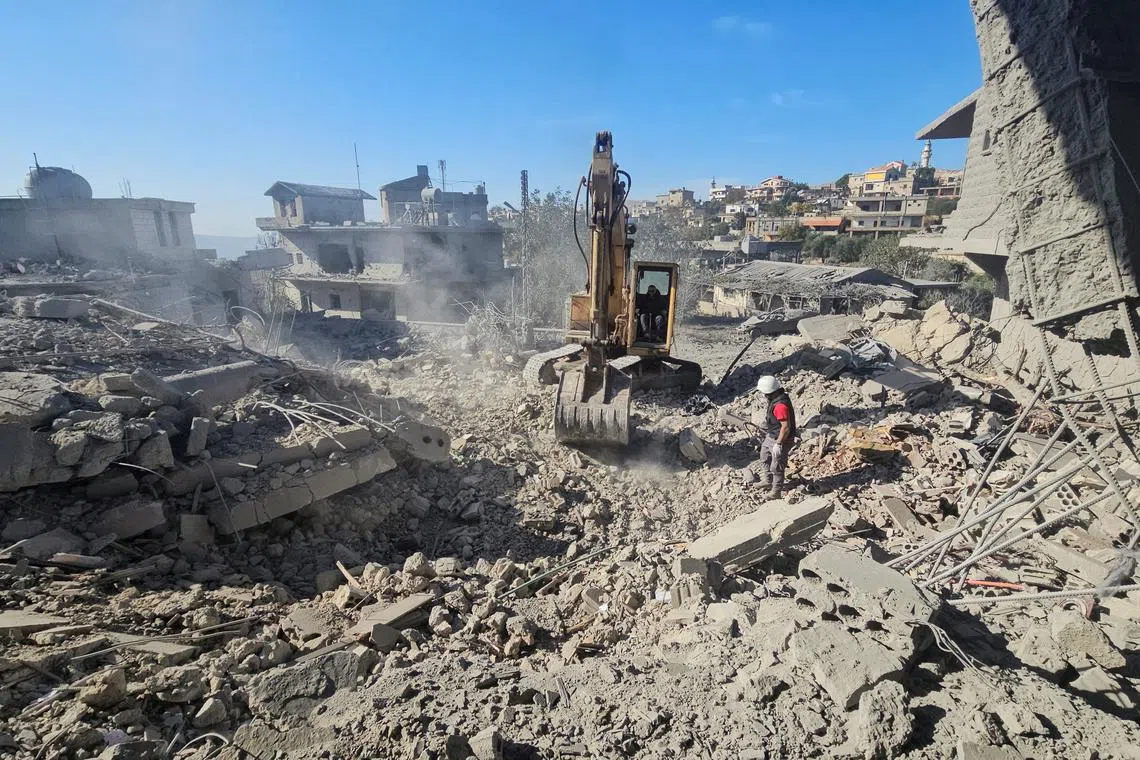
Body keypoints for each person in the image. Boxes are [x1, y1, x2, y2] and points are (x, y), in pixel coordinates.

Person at [754, 375, 796, 499]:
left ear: (769, 392)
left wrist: (778, 444)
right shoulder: (776, 398)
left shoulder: (780, 406)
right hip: (772, 434)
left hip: (781, 438)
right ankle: (768, 481)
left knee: (777, 466)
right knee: (764, 456)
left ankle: (776, 491)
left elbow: (786, 427)